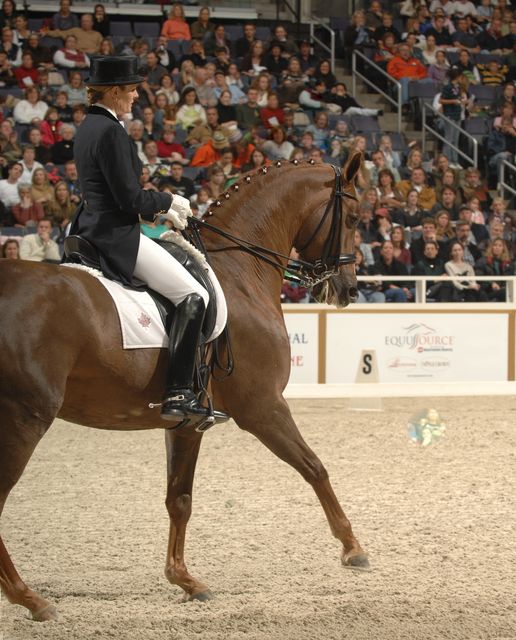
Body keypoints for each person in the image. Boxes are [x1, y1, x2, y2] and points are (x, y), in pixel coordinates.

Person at [69, 56, 227, 425]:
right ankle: (179, 393)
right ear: (113, 91)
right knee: (194, 296)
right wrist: (167, 201)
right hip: (115, 234)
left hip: (88, 226)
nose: (137, 95)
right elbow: (129, 199)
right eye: (131, 89)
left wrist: (159, 207)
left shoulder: (87, 126)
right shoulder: (111, 132)